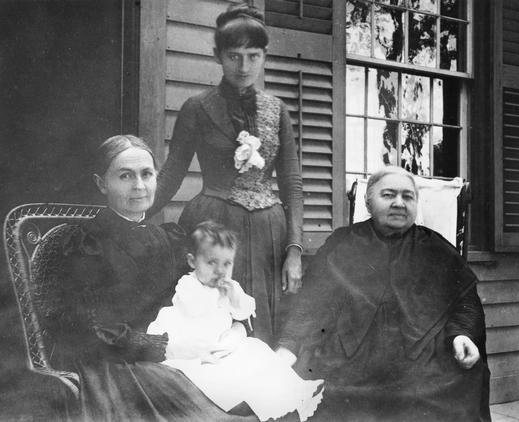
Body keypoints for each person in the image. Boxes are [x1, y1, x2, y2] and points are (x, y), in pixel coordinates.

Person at [35, 135, 257, 421]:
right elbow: (91, 330)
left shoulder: (169, 239)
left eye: (147, 174)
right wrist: (167, 347)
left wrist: (234, 329)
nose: (139, 186)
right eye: (125, 176)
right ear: (102, 184)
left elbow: (203, 293)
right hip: (116, 362)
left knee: (257, 384)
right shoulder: (86, 244)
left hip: (177, 352)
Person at [276, 166, 491, 421]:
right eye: (388, 195)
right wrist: (289, 345)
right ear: (368, 202)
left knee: (444, 394)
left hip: (422, 363)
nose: (399, 203)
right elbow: (311, 302)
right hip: (349, 358)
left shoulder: (436, 248)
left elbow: (465, 302)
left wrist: (461, 335)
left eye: (408, 197)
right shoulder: (342, 243)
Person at [148, 4, 303, 345]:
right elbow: (172, 174)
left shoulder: (278, 111)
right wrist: (132, 216)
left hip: (269, 235)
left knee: (259, 327)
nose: (244, 66)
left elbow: (291, 183)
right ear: (217, 55)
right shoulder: (197, 107)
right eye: (234, 56)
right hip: (214, 226)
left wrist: (294, 249)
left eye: (253, 55)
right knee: (209, 324)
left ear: (264, 56)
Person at [148, 221, 324, 422]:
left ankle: (288, 394)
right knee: (216, 374)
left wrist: (233, 296)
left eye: (227, 264)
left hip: (222, 338)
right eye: (211, 263)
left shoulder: (230, 286)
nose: (220, 271)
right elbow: (194, 310)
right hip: (193, 341)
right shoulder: (188, 284)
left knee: (259, 351)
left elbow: (244, 311)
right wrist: (217, 295)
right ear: (192, 261)